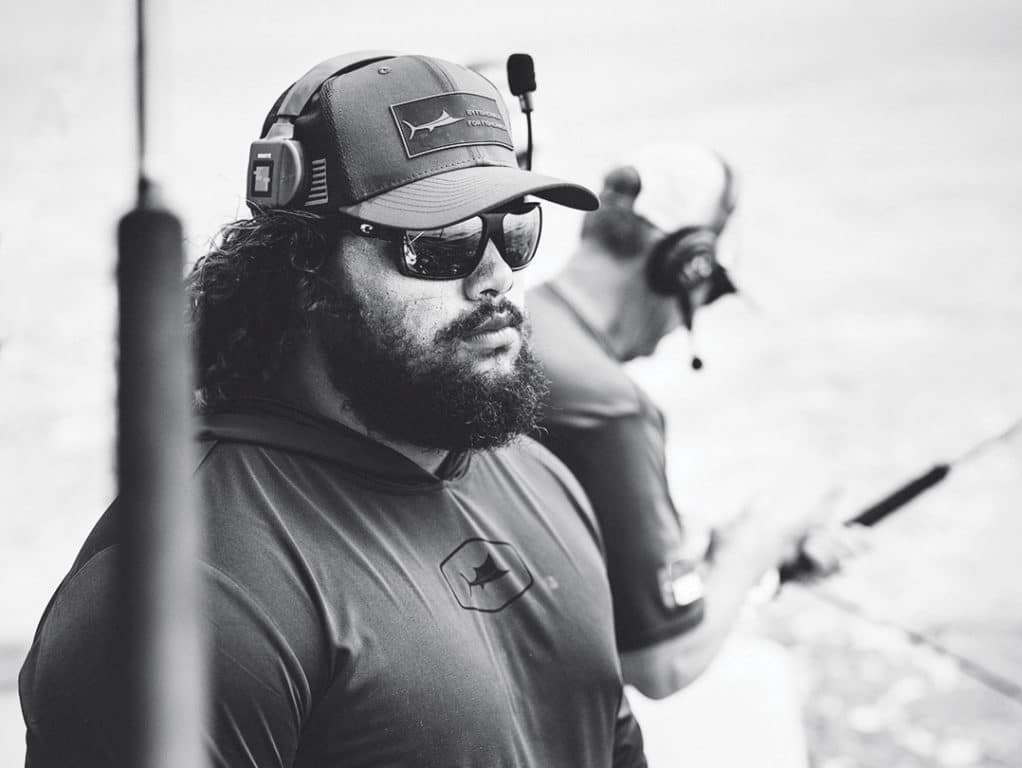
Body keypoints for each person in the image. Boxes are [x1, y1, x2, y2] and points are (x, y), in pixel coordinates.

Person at [19, 52, 648, 767]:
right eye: (441, 243)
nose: (496, 276)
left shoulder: (543, 478)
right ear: (305, 262)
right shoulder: (188, 595)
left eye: (515, 229)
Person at [529, 142, 862, 700]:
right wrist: (761, 538)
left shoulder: (514, 327)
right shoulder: (608, 409)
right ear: (686, 265)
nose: (679, 332)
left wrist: (737, 565)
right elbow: (662, 663)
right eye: (709, 296)